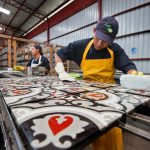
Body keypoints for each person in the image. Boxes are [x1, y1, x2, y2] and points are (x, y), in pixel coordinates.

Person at [55, 16, 142, 150]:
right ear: (94, 30)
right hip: (87, 94)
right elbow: (59, 53)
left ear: (112, 40)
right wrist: (61, 71)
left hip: (109, 95)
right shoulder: (81, 46)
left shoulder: (115, 49)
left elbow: (128, 66)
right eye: (98, 38)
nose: (100, 43)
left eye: (105, 41)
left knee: (112, 128)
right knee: (95, 128)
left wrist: (134, 75)